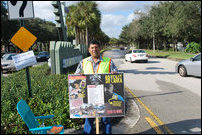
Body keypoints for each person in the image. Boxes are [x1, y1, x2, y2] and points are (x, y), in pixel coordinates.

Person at [75, 40, 118, 134]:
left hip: (104, 96)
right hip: (89, 96)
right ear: (89, 50)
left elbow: (117, 77)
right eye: (92, 48)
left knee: (106, 120)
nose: (94, 49)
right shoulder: (83, 62)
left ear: (100, 48)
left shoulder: (109, 62)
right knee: (89, 120)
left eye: (96, 47)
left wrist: (114, 74)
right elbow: (75, 77)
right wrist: (80, 76)